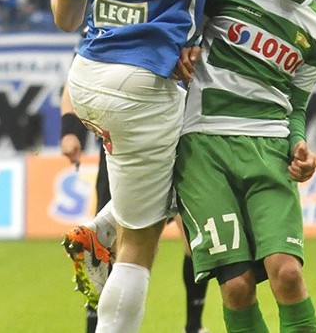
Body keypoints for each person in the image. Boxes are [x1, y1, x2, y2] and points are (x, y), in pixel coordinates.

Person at [51, 0, 293, 332]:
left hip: (88, 75)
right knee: (143, 241)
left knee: (161, 194)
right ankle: (103, 239)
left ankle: (100, 229)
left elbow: (65, 18)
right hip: (142, 82)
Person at [175, 0, 316, 333]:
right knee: (237, 288)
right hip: (203, 146)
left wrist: (299, 145)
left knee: (287, 273)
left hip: (268, 148)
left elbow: (297, 104)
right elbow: (183, 26)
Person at [61, 81, 209, 333]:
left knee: (184, 242)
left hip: (147, 135)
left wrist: (70, 130)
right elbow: (72, 83)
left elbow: (78, 74)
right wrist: (69, 130)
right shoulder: (180, 42)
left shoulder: (99, 44)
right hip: (156, 134)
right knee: (129, 248)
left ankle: (193, 325)